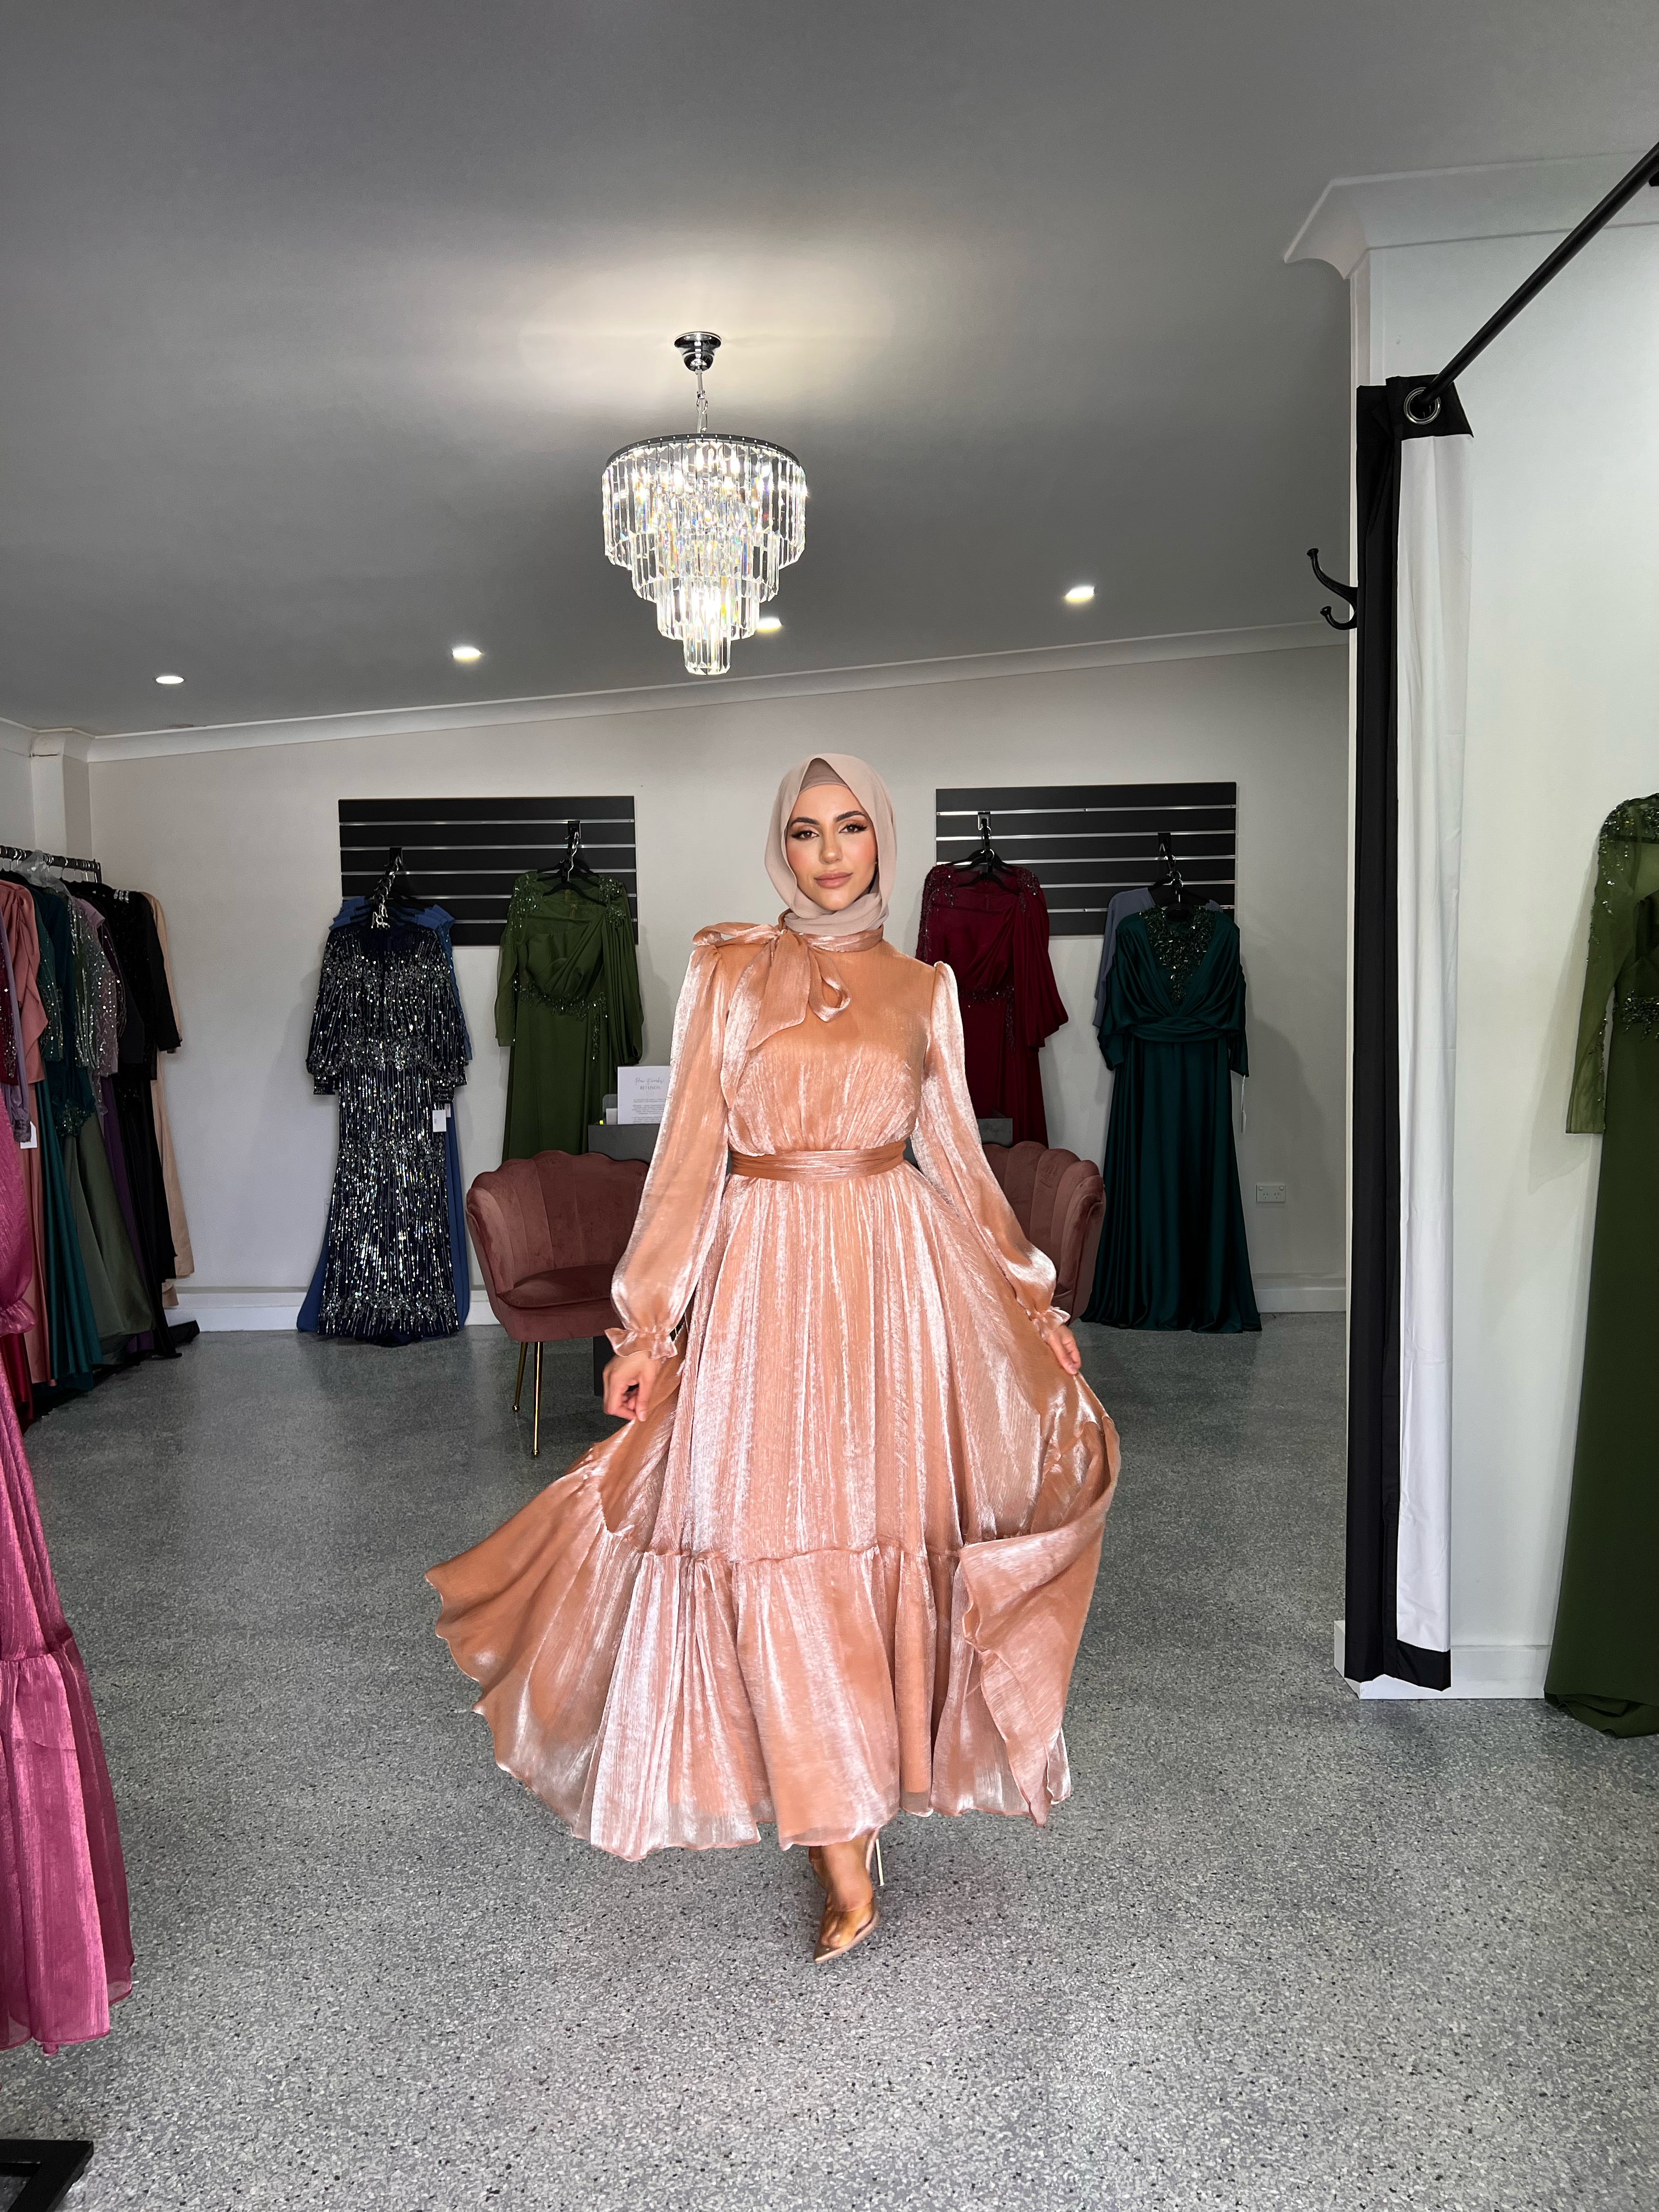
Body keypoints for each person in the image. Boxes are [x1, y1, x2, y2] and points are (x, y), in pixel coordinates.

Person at [428, 753, 1119, 1963]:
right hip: (763, 1283)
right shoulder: (728, 970)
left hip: (892, 1285)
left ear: (883, 841)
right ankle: (836, 1829)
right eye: (805, 831)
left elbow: (960, 1162)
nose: (830, 853)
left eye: (851, 827)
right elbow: (688, 1159)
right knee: (767, 1540)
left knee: (879, 1534)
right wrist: (647, 1326)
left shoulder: (928, 987)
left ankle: (854, 1809)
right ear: (781, 847)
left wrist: (1030, 1300)